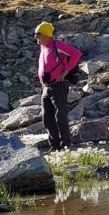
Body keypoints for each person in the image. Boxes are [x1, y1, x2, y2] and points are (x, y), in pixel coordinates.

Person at [34, 21, 83, 151]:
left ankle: (65, 145)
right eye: (36, 34)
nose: (36, 37)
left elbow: (76, 54)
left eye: (38, 34)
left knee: (60, 115)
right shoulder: (43, 48)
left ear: (46, 34)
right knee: (47, 117)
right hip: (46, 86)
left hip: (59, 84)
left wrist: (65, 71)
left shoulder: (57, 44)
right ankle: (55, 146)